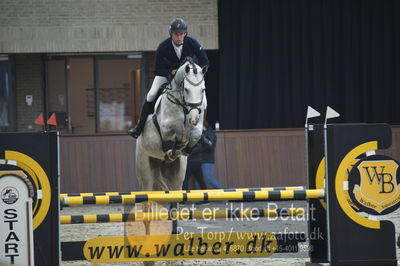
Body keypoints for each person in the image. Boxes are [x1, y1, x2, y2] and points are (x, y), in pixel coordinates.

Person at [128, 18, 209, 138]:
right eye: (176, 34)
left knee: (203, 100)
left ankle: (201, 128)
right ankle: (139, 127)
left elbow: (205, 61)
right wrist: (171, 72)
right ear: (171, 34)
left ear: (185, 34)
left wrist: (196, 74)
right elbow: (157, 70)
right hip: (168, 75)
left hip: (190, 77)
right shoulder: (163, 46)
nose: (179, 37)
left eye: (181, 34)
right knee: (151, 95)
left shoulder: (192, 42)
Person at [199, 121, 223, 189]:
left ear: (203, 126)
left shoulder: (210, 133)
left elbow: (211, 145)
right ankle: (198, 199)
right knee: (199, 180)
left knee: (208, 178)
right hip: (201, 159)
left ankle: (223, 194)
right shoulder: (205, 133)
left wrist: (200, 148)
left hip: (207, 160)